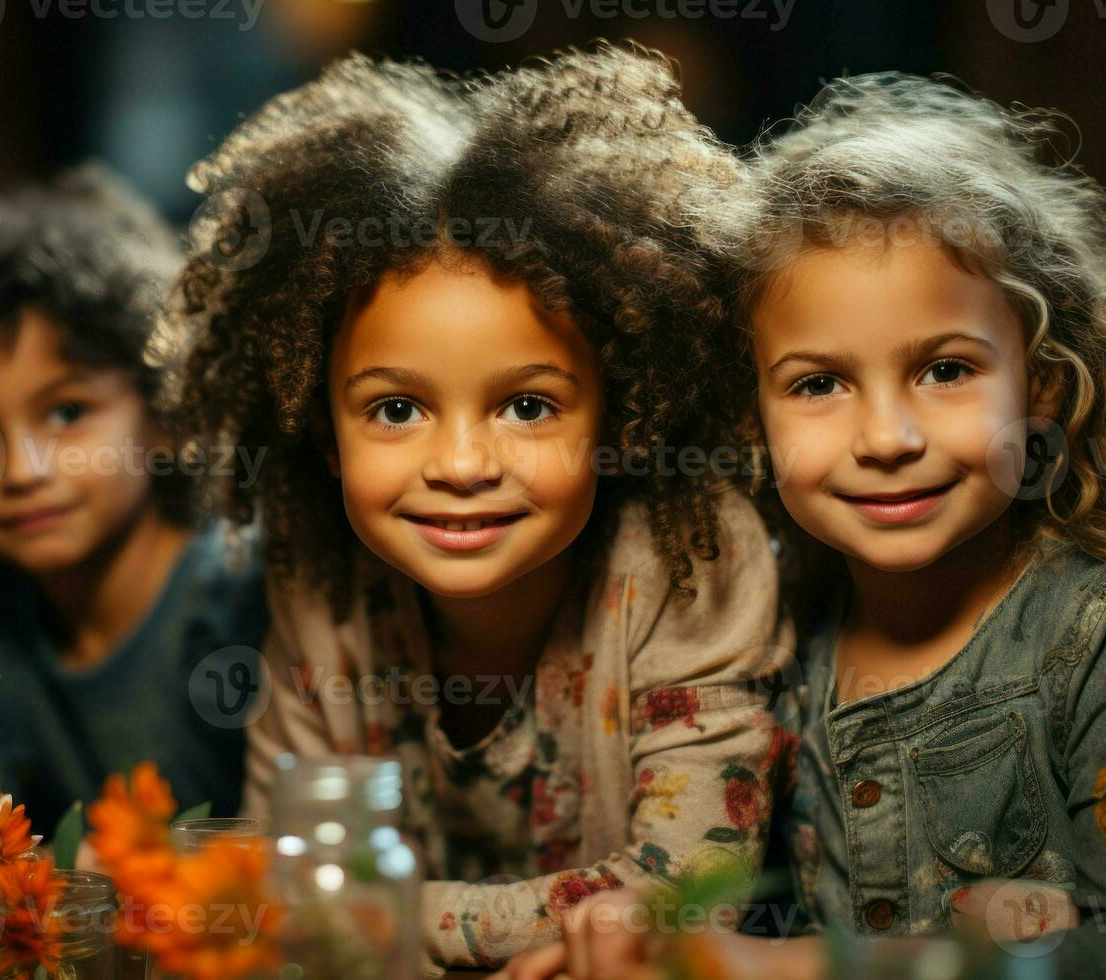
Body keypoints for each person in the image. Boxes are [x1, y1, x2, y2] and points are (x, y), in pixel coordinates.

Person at [498, 73, 1106, 979]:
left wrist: (799, 968)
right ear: (749, 412)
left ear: (1039, 386)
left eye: (945, 370)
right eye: (817, 385)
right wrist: (646, 932)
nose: (886, 438)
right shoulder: (766, 631)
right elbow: (735, 907)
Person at [168, 44, 794, 971]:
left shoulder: (690, 560)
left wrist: (380, 914)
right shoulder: (319, 582)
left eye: (527, 406)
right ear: (320, 426)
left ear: (621, 410)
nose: (460, 463)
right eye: (395, 409)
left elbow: (684, 898)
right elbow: (290, 899)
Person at [0, 165, 268, 927]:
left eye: (68, 413)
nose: (22, 471)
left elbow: (303, 850)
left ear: (166, 411)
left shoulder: (239, 589)